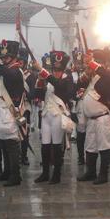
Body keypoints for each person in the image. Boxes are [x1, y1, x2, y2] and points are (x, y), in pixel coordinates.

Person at [77, 49, 110, 185]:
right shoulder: (92, 77)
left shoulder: (109, 76)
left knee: (104, 147)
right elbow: (76, 86)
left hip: (103, 118)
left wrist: (93, 64)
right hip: (91, 119)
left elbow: (107, 78)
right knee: (90, 146)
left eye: (94, 62)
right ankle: (91, 172)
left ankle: (103, 174)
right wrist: (87, 72)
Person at [33, 51, 75, 184]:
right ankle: (45, 173)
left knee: (57, 145)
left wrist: (43, 72)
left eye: (58, 70)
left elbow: (62, 88)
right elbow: (37, 95)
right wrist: (40, 80)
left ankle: (56, 174)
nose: (56, 72)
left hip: (58, 114)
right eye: (54, 70)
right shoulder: (49, 80)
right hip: (46, 115)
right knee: (45, 145)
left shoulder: (67, 79)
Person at [0, 40, 25, 187]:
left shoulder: (16, 70)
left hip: (10, 112)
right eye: (2, 57)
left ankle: (15, 175)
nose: (4, 59)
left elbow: (7, 73)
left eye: (7, 57)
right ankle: (7, 171)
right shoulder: (6, 70)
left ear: (15, 56)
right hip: (1, 112)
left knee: (11, 144)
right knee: (3, 143)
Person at [18, 48, 35, 166]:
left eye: (21, 61)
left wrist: (23, 90)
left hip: (25, 108)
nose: (19, 63)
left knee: (24, 132)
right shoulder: (13, 73)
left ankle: (23, 156)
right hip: (12, 106)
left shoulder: (30, 76)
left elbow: (32, 94)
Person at [72, 49, 87, 165]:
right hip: (78, 106)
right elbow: (70, 92)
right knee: (80, 133)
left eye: (80, 63)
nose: (79, 65)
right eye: (77, 63)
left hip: (90, 104)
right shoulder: (70, 74)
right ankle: (81, 157)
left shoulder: (90, 73)